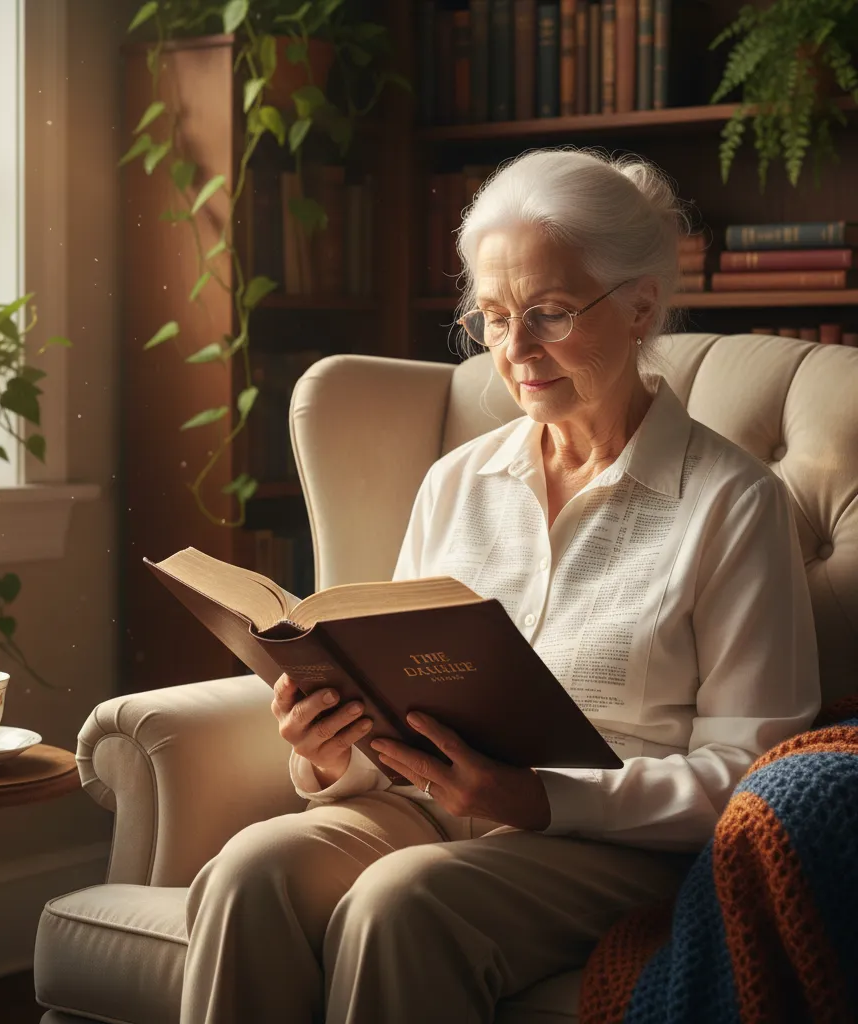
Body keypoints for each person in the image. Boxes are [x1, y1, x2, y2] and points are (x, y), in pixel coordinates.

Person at [178, 149, 820, 1024]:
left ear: (640, 305)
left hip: (612, 846)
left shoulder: (735, 503)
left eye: (549, 315)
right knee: (250, 872)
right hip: (430, 808)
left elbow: (749, 771)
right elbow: (398, 695)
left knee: (400, 905)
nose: (513, 353)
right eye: (492, 317)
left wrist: (539, 798)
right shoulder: (457, 481)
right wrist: (331, 748)